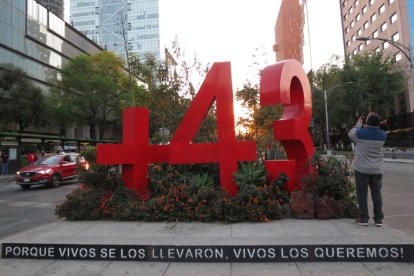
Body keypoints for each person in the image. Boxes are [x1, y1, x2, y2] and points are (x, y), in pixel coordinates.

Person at [348, 112, 387, 227]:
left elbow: (350, 134)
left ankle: (364, 218)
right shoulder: (383, 135)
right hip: (377, 170)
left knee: (362, 194)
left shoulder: (360, 133)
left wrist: (359, 123)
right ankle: (378, 220)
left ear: (366, 122)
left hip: (362, 169)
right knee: (377, 194)